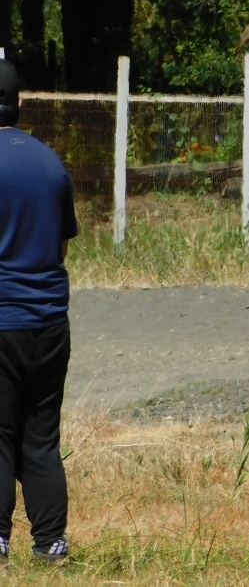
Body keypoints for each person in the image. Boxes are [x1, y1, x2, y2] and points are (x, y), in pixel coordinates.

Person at [0, 59, 75, 564]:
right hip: (50, 321)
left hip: (2, 321)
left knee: (0, 436)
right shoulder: (51, 162)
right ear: (21, 102)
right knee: (41, 438)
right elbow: (61, 247)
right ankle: (50, 543)